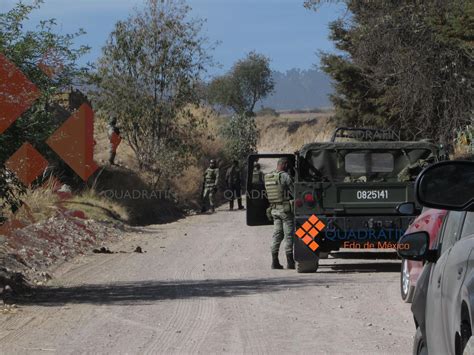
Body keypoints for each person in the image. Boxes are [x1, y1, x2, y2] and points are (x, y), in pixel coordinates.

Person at [264, 157, 295, 269]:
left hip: (274, 210)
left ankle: (274, 262)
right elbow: (295, 191)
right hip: (285, 211)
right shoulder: (285, 176)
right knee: (288, 236)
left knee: (277, 235)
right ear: (285, 165)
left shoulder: (268, 176)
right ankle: (290, 262)